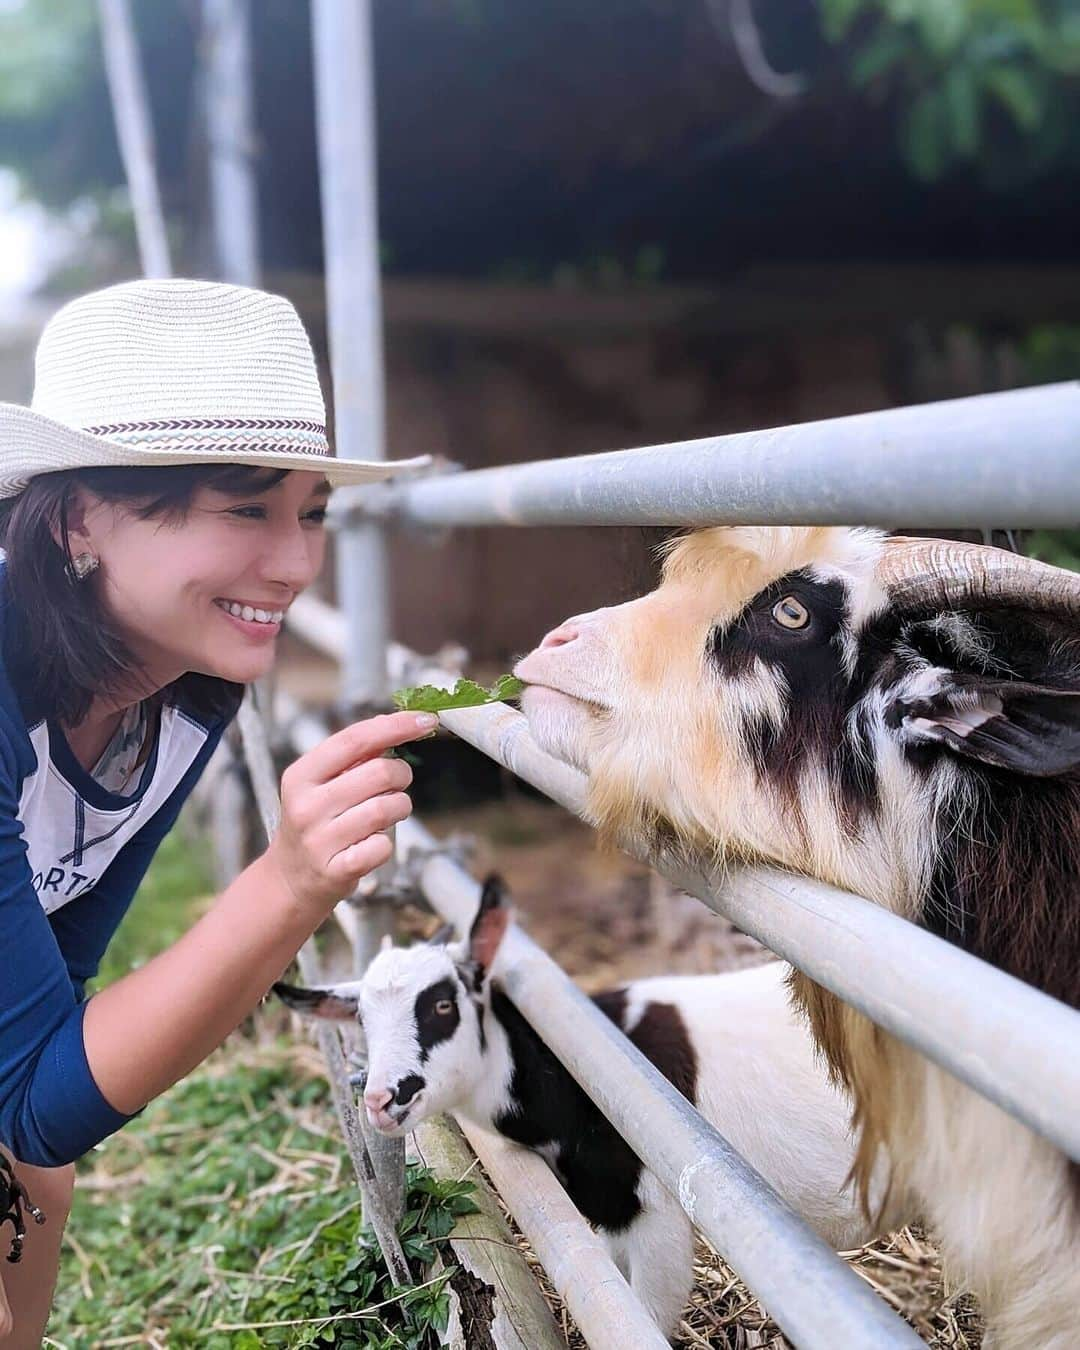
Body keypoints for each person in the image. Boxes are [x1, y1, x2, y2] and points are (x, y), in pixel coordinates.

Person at [0, 278, 436, 1346]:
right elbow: (39, 1094)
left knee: (29, 1190)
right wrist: (289, 881)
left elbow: (59, 1004)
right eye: (246, 508)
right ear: (78, 522)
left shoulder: (185, 686)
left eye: (313, 514)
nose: (293, 566)